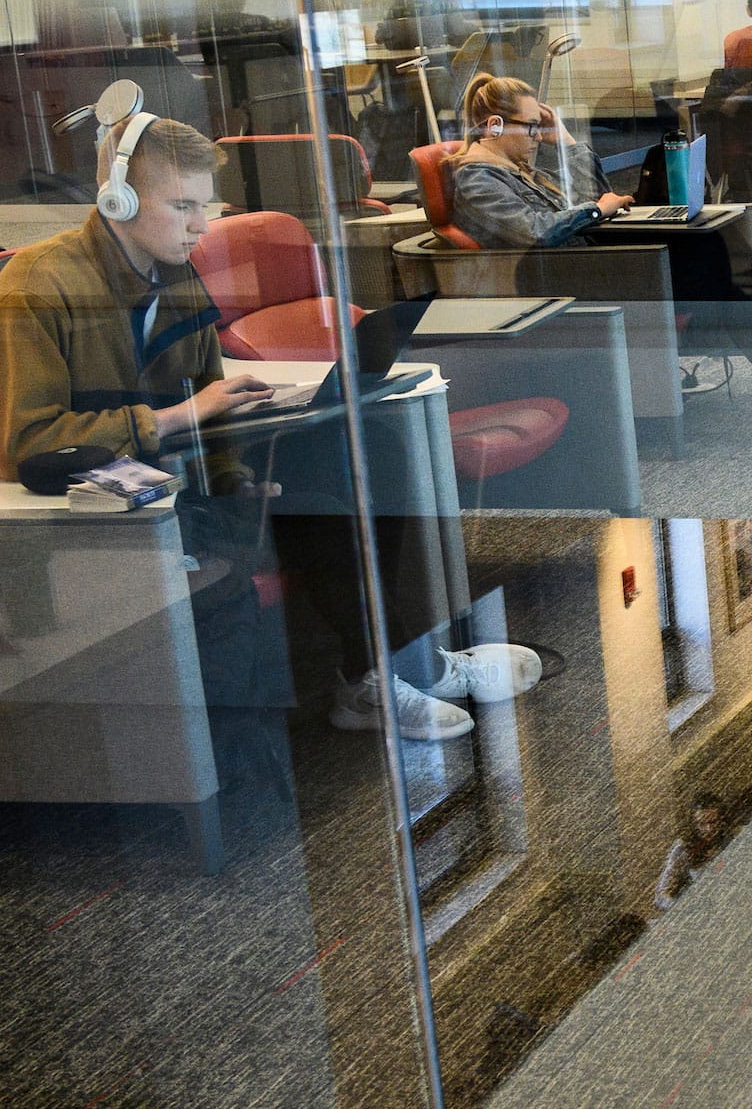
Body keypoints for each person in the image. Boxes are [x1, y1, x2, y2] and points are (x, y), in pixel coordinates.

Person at [0, 111, 538, 739]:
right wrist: (179, 417)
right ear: (116, 198)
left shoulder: (174, 273)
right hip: (104, 510)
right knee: (325, 502)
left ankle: (403, 667)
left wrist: (233, 477)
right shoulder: (37, 284)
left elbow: (207, 401)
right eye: (182, 206)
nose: (202, 227)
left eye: (206, 206)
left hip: (187, 479)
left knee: (377, 452)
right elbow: (29, 444)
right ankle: (383, 676)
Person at [447, 73, 752, 428]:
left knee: (716, 251)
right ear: (494, 126)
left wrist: (569, 144)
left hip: (586, 264)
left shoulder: (514, 169)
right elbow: (535, 233)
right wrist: (595, 210)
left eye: (542, 126)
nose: (539, 136)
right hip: (563, 280)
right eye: (531, 127)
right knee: (715, 264)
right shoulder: (477, 180)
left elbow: (594, 194)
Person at [655, 794, 728, 908]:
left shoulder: (735, 839)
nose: (708, 829)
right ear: (694, 824)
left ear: (722, 820)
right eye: (702, 823)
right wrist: (684, 909)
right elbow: (662, 895)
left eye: (713, 822)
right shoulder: (684, 848)